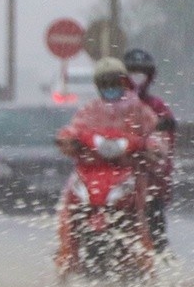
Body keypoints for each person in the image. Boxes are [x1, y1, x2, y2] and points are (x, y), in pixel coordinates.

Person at [54, 57, 165, 272]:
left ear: (123, 82)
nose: (110, 87)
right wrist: (67, 138)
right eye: (104, 83)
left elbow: (155, 134)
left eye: (114, 81)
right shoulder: (89, 110)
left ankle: (143, 259)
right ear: (97, 86)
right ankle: (66, 252)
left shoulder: (139, 110)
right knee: (68, 206)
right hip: (90, 171)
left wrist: (152, 146)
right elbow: (74, 129)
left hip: (128, 171)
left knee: (138, 212)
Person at [124, 48, 176, 252]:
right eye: (132, 73)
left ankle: (158, 253)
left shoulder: (157, 106)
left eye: (141, 73)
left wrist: (154, 151)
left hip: (148, 175)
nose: (137, 78)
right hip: (115, 172)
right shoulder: (108, 105)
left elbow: (165, 140)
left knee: (154, 217)